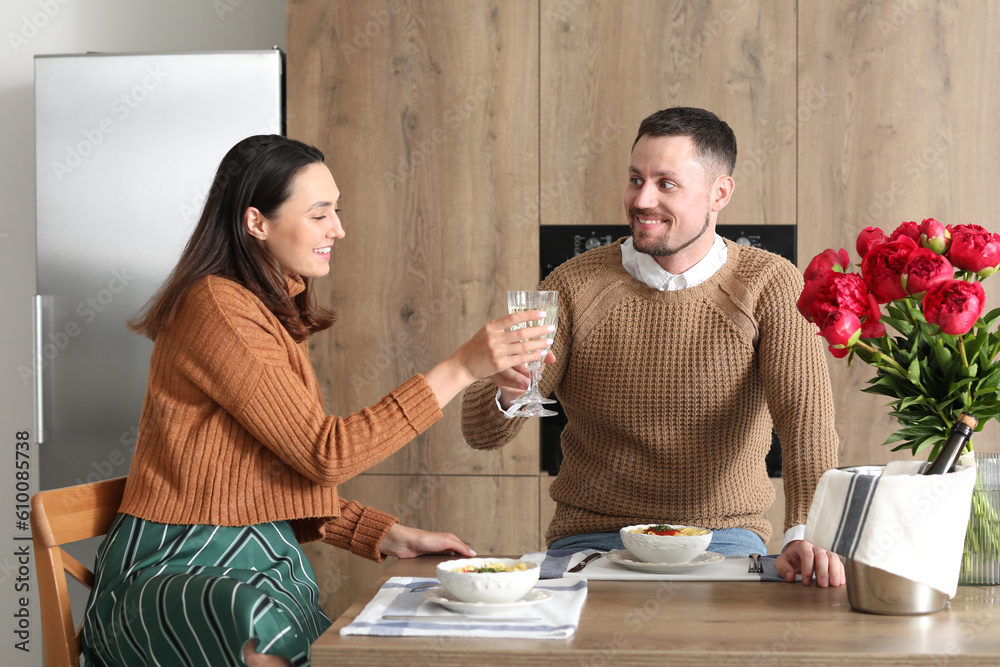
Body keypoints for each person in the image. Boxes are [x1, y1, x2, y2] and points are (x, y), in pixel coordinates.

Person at [80, 135, 555, 667]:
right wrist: (461, 367)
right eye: (320, 214)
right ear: (256, 222)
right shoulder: (218, 307)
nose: (339, 229)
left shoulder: (268, 305)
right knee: (253, 623)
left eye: (337, 211)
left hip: (257, 557)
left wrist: (386, 533)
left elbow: (260, 481)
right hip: (179, 566)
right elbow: (324, 454)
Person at [461, 107, 845, 587]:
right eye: (635, 179)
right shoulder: (574, 283)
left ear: (718, 194)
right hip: (592, 537)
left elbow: (805, 424)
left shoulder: (771, 283)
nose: (641, 199)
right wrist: (507, 393)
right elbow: (481, 433)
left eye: (666, 184)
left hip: (721, 537)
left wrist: (805, 532)